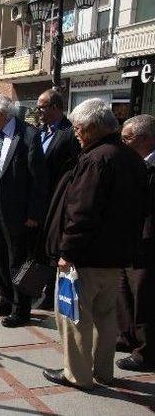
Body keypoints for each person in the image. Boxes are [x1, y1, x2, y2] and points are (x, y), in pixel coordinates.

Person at [43, 98, 147, 389]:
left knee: (74, 316)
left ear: (91, 127)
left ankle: (78, 375)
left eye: (78, 127)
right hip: (115, 257)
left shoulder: (96, 159)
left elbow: (82, 212)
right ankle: (104, 371)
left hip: (85, 258)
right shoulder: (131, 158)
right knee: (106, 317)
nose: (75, 132)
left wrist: (67, 252)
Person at [0, 94, 47, 328]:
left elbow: (39, 179)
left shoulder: (28, 135)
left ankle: (21, 309)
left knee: (17, 259)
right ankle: (5, 298)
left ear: (2, 113)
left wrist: (34, 213)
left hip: (18, 211)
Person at [116, 114, 155, 372]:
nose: (123, 143)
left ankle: (146, 352)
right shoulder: (133, 163)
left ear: (146, 139)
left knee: (144, 297)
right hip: (128, 239)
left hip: (148, 241)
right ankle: (127, 336)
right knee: (124, 290)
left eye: (127, 138)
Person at [35, 89, 81, 309]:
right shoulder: (40, 131)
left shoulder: (69, 133)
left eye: (42, 107)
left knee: (54, 249)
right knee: (39, 247)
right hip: (38, 200)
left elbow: (75, 169)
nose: (38, 111)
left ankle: (50, 295)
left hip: (58, 200)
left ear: (55, 107)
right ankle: (36, 286)